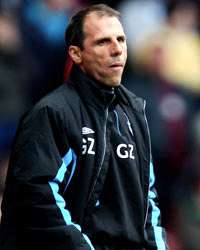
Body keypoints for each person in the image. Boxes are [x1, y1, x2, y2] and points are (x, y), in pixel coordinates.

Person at [0, 4, 168, 250]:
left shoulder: (136, 113)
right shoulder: (51, 113)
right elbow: (38, 198)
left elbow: (148, 200)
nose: (117, 49)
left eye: (121, 39)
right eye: (103, 42)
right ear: (76, 54)